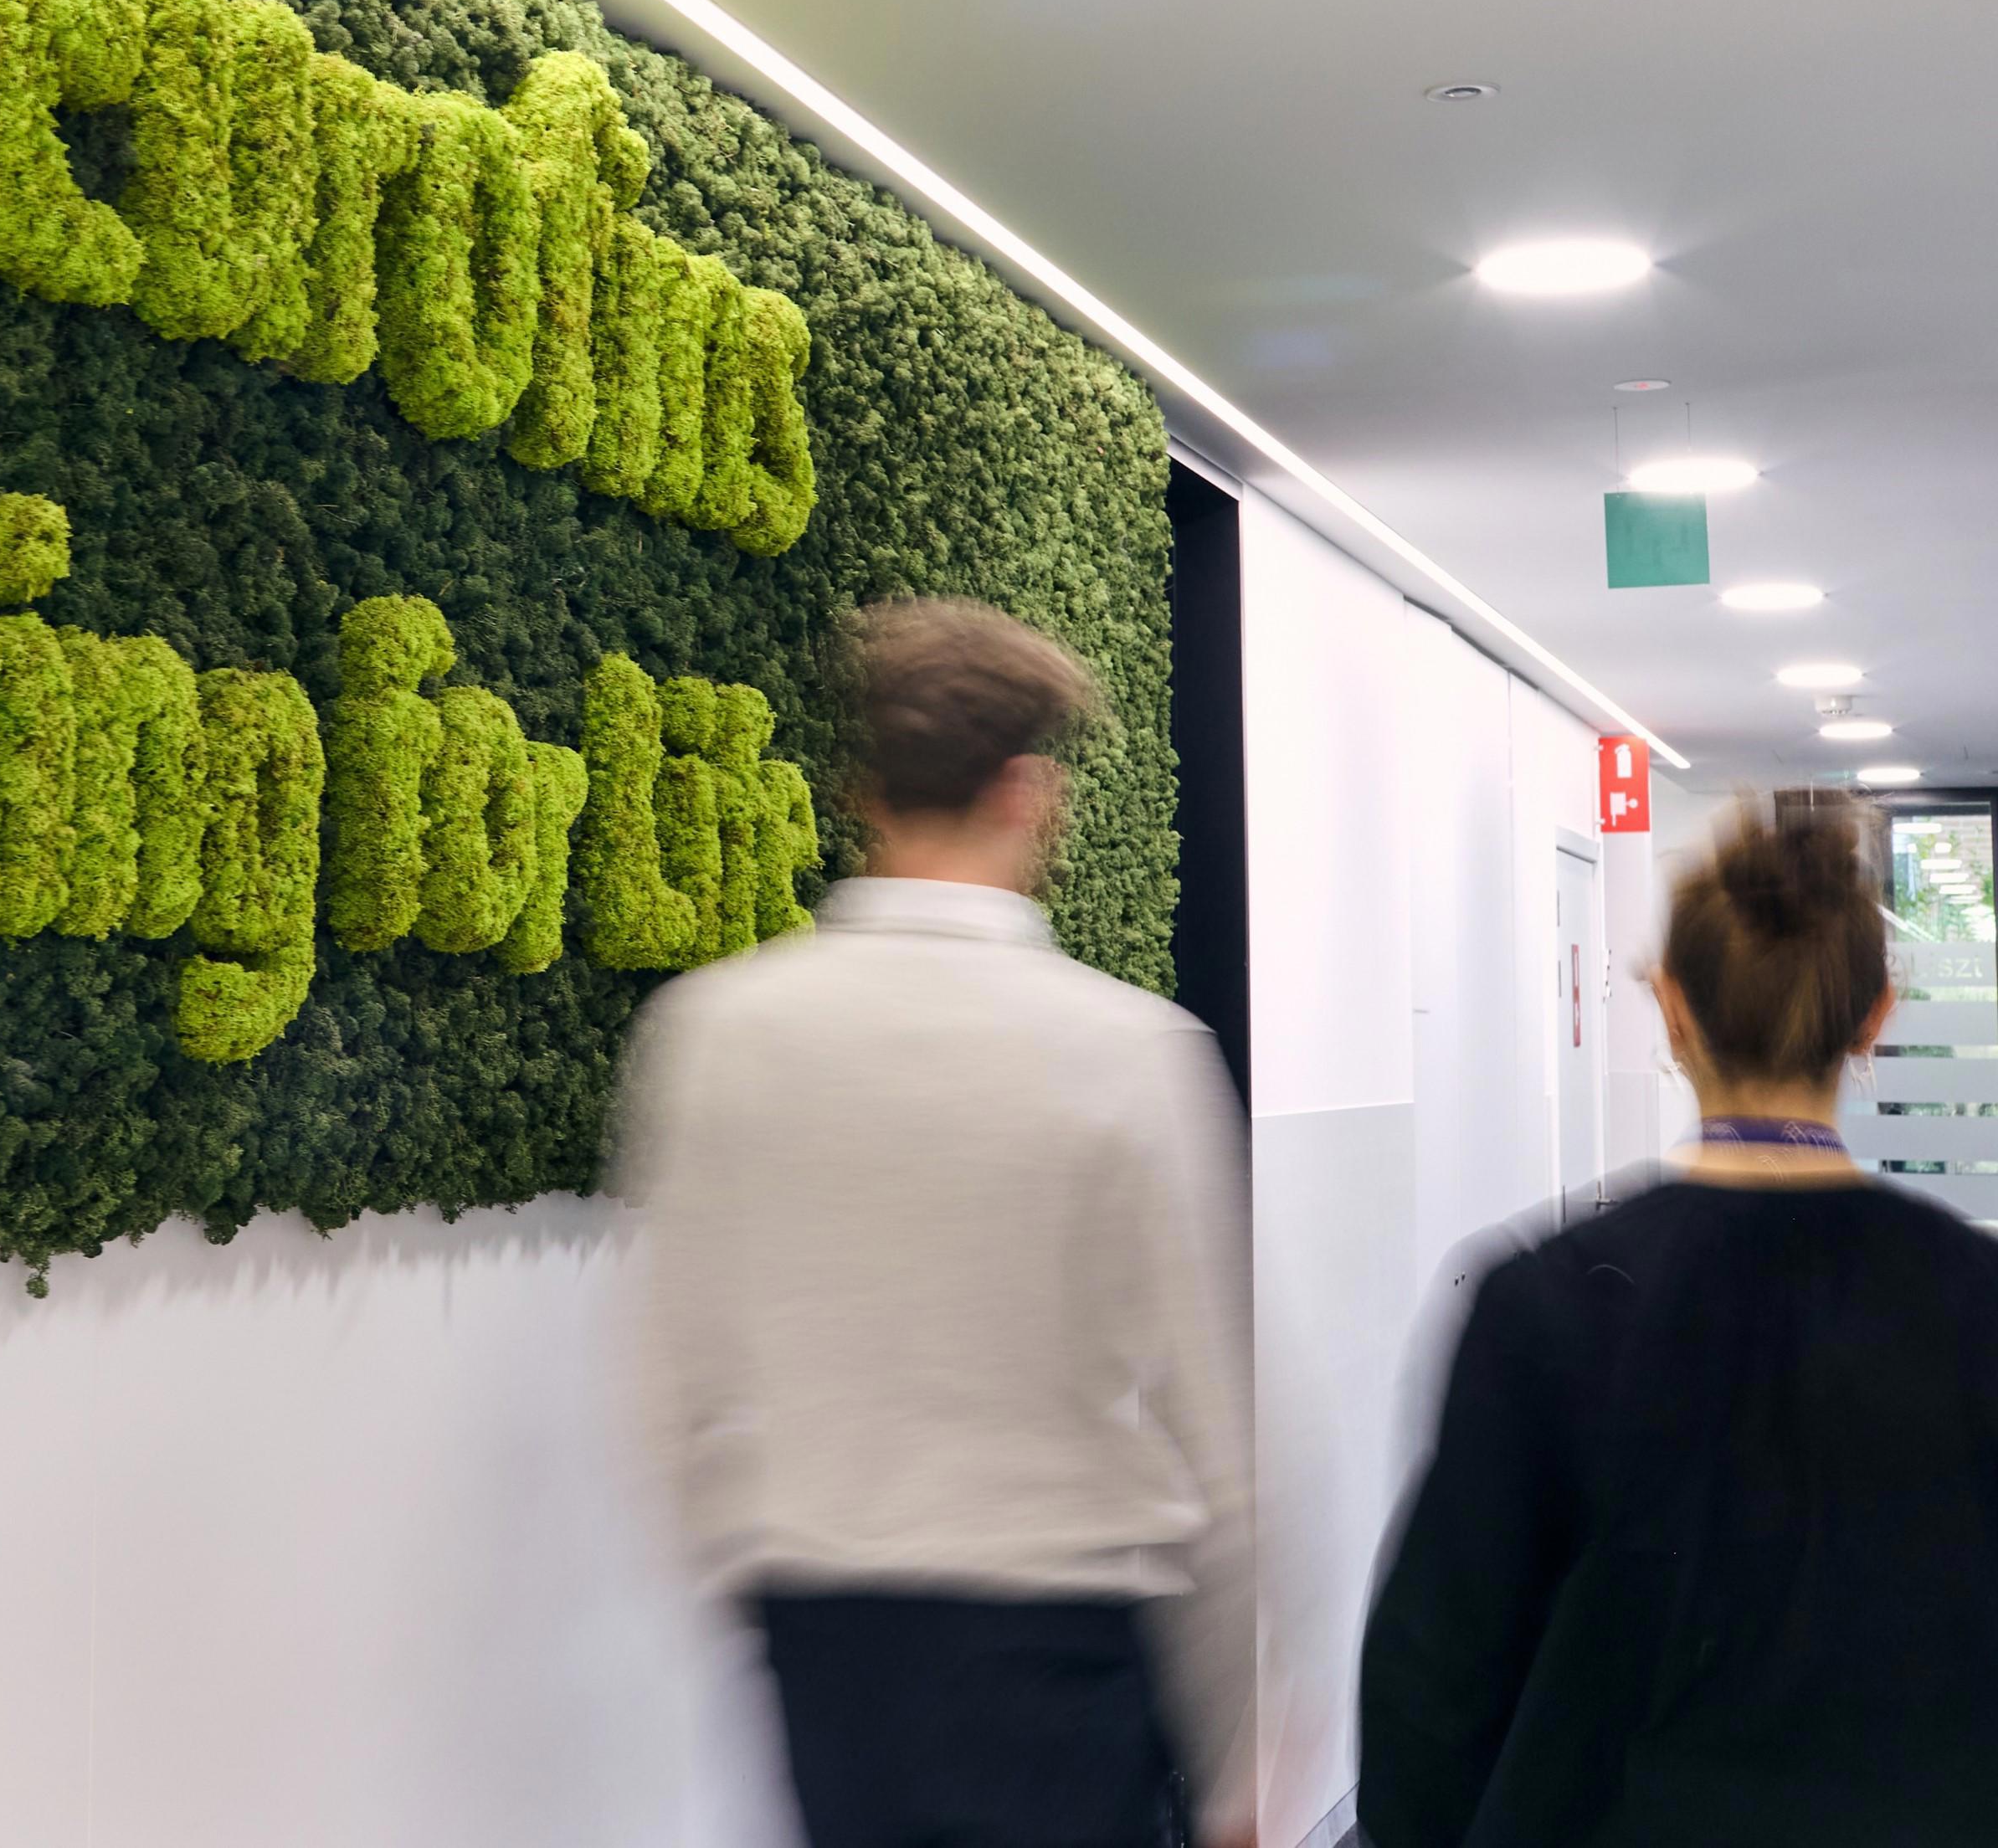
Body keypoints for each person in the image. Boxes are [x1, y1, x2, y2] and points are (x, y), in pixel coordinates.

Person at [623, 600, 1257, 1848]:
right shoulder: (1130, 1048)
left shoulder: (718, 1030)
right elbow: (1220, 1436)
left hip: (832, 1646)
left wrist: (744, 1572)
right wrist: (1239, 1752)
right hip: (1062, 1641)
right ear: (1027, 793)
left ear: (862, 794)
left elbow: (664, 1387)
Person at [1360, 793, 1998, 1846]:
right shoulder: (1976, 1302)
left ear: (1670, 1009)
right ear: (1875, 1017)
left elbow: (1432, 1691)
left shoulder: (1537, 1306)